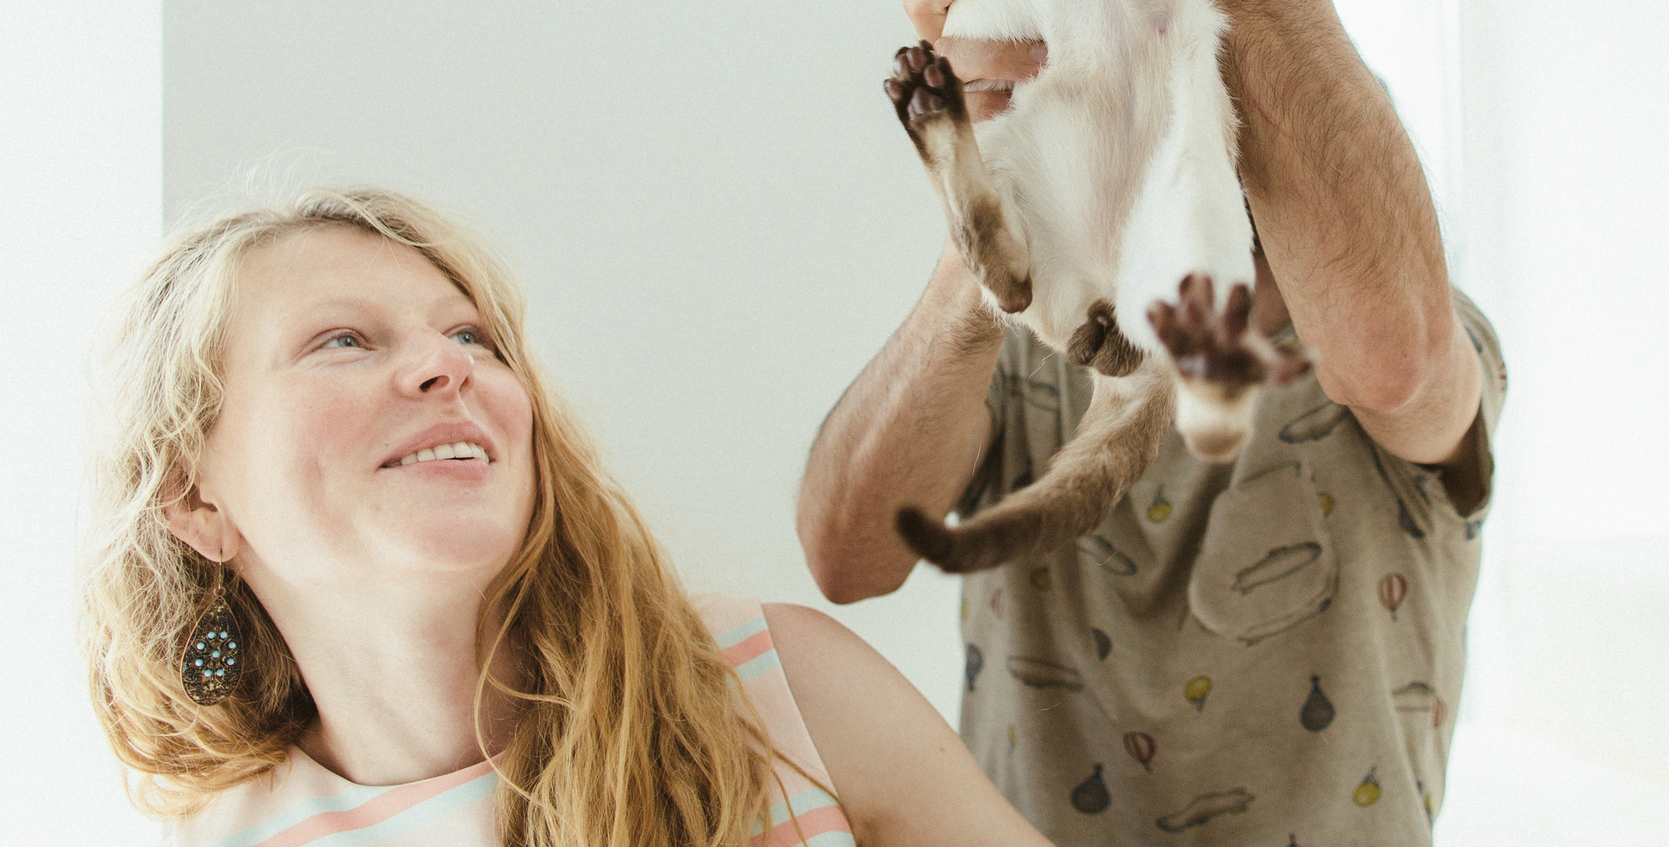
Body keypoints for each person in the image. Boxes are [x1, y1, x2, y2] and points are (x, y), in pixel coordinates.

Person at [797, 0, 1507, 842]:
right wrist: (994, 179)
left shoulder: (1411, 334)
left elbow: (1402, 360)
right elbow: (845, 549)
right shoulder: (1031, 342)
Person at [81, 187, 1051, 847]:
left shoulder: (775, 688)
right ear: (194, 499)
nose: (446, 365)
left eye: (471, 336)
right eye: (341, 340)